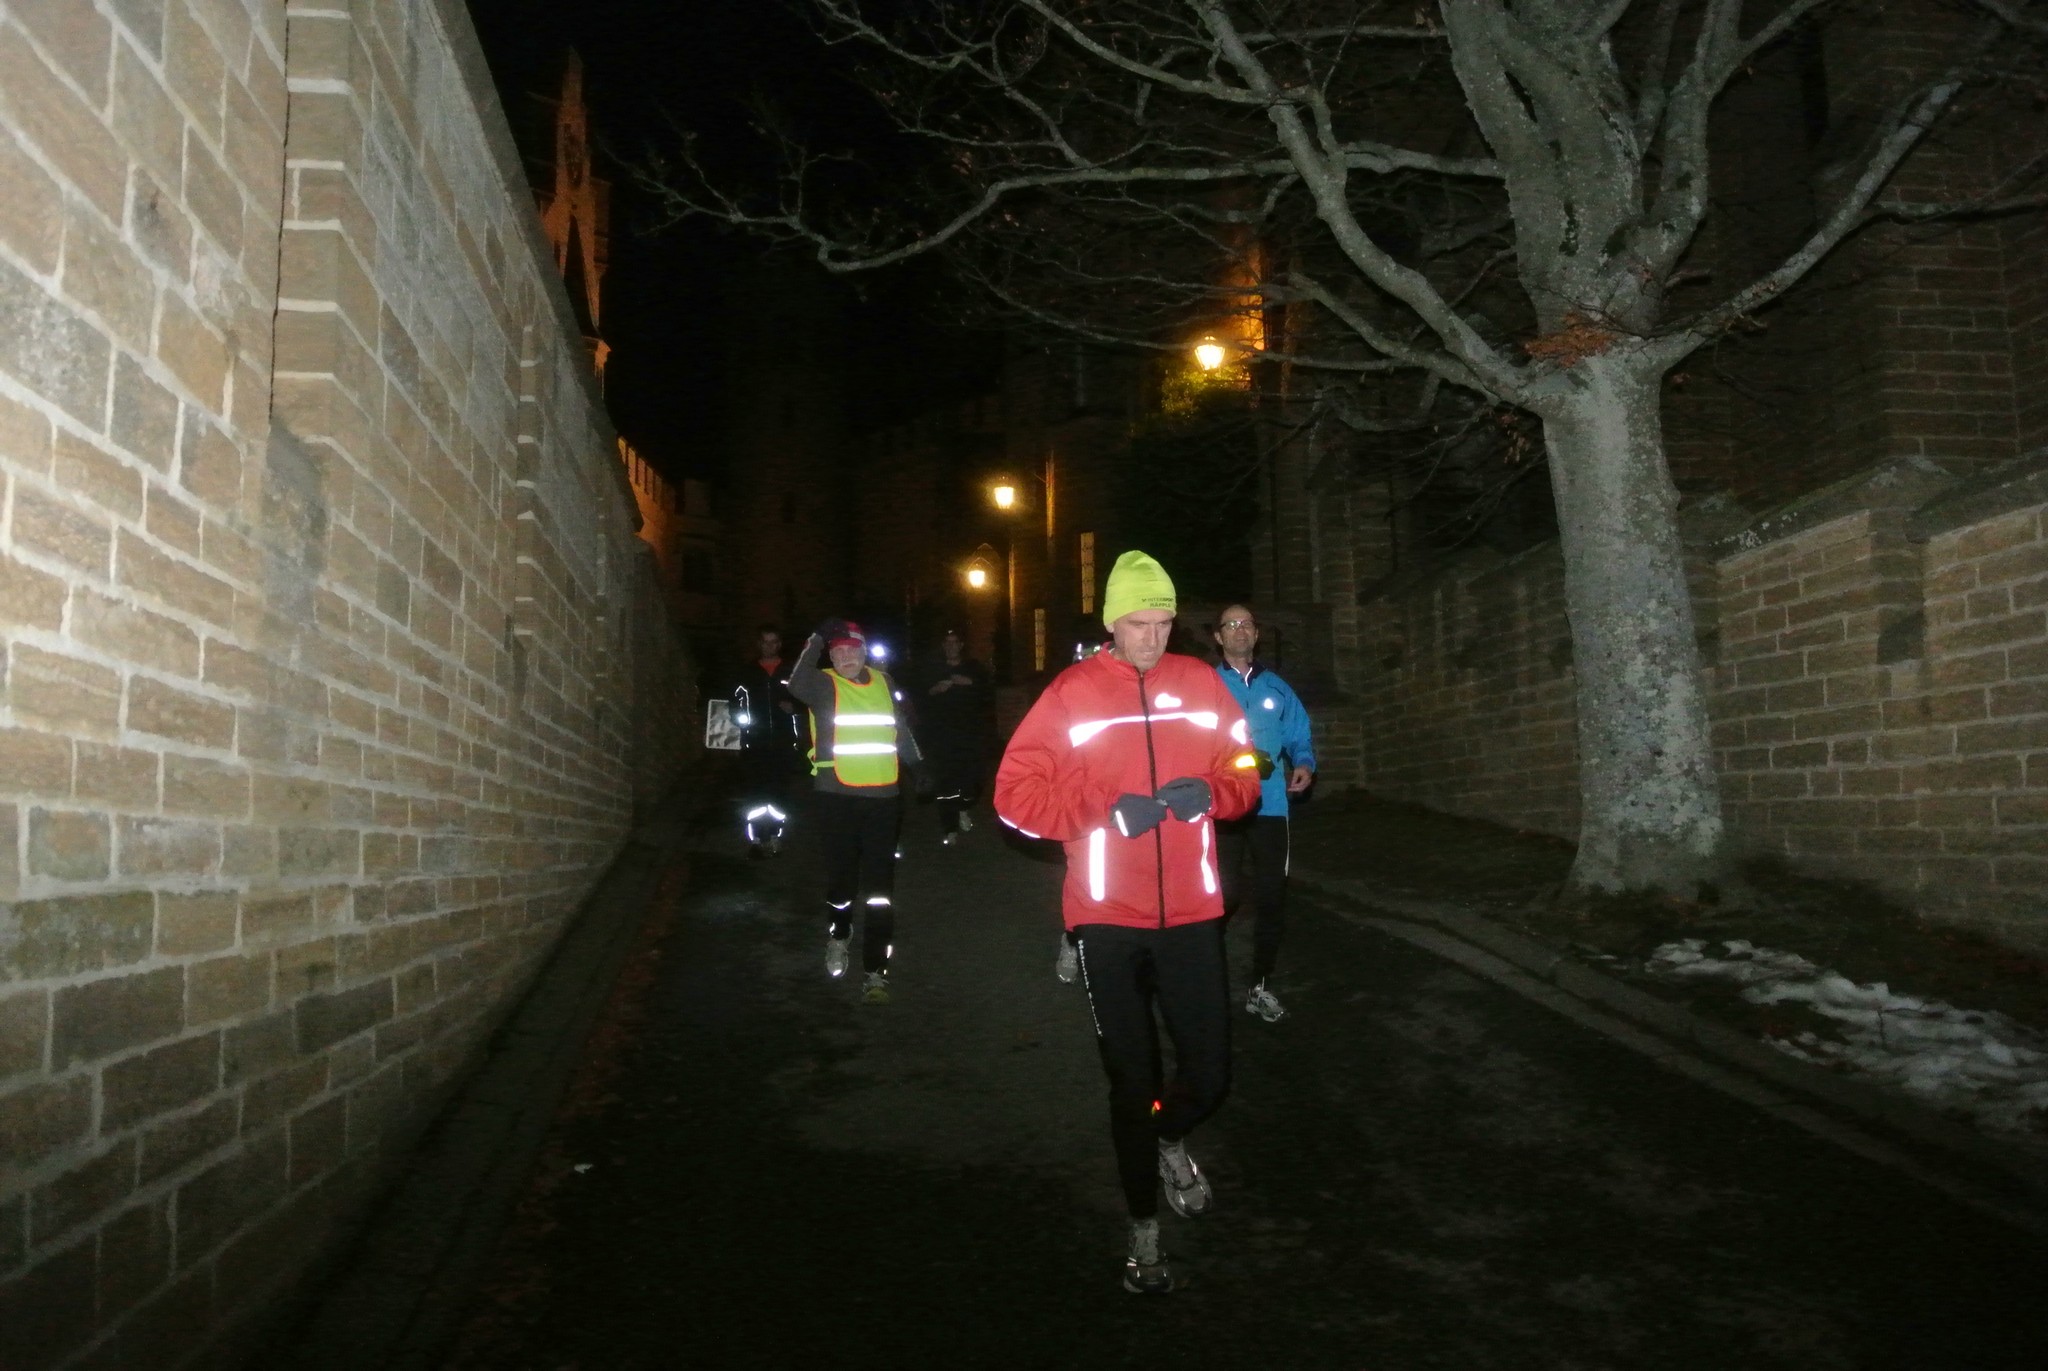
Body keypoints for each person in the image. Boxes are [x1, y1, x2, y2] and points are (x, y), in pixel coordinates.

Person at [995, 550, 1260, 1295]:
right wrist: (1102, 811)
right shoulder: (1072, 693)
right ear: (1112, 621)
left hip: (1193, 914)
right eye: (1138, 623)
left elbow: (1248, 768)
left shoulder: (1201, 683)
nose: (1151, 636)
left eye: (1163, 622)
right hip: (1107, 918)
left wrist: (1213, 791)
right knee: (1131, 1080)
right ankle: (1143, 1229)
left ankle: (1169, 1135)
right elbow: (1014, 796)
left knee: (1210, 1073)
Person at [788, 619, 924, 1004]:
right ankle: (839, 932)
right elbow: (795, 682)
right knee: (842, 879)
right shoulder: (821, 683)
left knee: (880, 887)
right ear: (830, 656)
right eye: (838, 651)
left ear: (864, 652)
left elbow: (899, 728)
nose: (846, 656)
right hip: (836, 798)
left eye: (852, 649)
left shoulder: (885, 682)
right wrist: (817, 638)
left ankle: (875, 969)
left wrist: (919, 765)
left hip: (883, 798)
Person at [1212, 604, 1317, 1023]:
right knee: (1222, 896)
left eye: (1247, 625)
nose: (1240, 631)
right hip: (1222, 805)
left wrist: (1304, 762)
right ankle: (1203, 979)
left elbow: (1299, 735)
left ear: (1256, 635)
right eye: (1231, 625)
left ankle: (1260, 986)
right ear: (1219, 636)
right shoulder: (1206, 685)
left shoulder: (1277, 688)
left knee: (1272, 896)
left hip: (1270, 806)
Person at [916, 628, 993, 845]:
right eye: (947, 642)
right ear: (943, 646)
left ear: (961, 645)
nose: (951, 646)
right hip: (942, 736)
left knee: (973, 777)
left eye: (955, 642)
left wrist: (969, 683)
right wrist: (935, 690)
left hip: (970, 735)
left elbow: (987, 694)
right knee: (945, 780)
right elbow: (919, 698)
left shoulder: (974, 668)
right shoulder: (933, 670)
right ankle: (949, 827)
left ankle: (963, 807)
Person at [732, 624, 803, 857]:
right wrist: (743, 724)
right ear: (759, 644)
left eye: (774, 642)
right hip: (755, 744)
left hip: (784, 743)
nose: (769, 646)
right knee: (755, 793)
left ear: (779, 644)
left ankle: (774, 837)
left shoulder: (791, 671)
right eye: (765, 641)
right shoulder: (748, 672)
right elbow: (734, 701)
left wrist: (795, 707)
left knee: (779, 792)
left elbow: (805, 699)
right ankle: (756, 839)